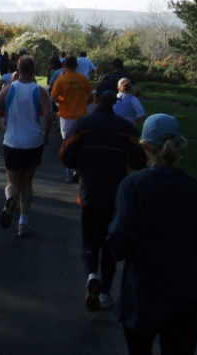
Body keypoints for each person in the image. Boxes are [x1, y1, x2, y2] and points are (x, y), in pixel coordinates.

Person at [107, 114, 197, 355]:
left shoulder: (132, 187)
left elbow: (119, 241)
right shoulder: (196, 188)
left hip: (142, 294)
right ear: (180, 144)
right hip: (185, 297)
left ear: (144, 147)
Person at [59, 90, 146, 312]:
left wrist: (81, 163)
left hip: (89, 192)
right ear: (114, 103)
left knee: (89, 240)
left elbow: (66, 155)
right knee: (110, 244)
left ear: (96, 99)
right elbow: (140, 159)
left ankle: (91, 275)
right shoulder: (125, 128)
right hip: (116, 195)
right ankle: (106, 292)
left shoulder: (84, 124)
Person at [0, 55, 54, 237]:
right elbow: (49, 116)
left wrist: (3, 129)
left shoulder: (9, 89)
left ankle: (10, 198)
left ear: (18, 70)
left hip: (13, 141)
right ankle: (23, 222)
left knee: (12, 182)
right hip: (33, 141)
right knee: (27, 182)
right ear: (34, 71)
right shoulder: (39, 91)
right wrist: (46, 135)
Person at [50, 55, 94, 183]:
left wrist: (62, 102)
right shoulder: (83, 79)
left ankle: (69, 172)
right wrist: (84, 103)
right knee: (81, 142)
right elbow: (92, 95)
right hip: (81, 115)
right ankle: (79, 169)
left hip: (66, 116)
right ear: (76, 66)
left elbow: (53, 98)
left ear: (64, 66)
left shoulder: (61, 80)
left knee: (68, 144)